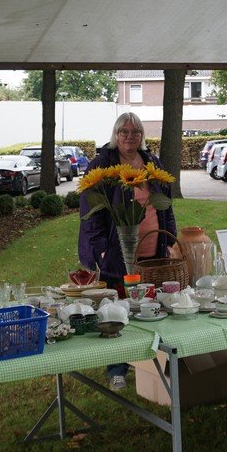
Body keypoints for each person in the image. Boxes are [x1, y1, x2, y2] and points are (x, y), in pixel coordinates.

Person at [78, 112, 177, 390]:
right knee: (117, 311)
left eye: (135, 132)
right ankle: (117, 369)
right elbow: (89, 212)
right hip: (117, 251)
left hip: (152, 248)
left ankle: (153, 362)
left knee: (151, 307)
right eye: (124, 132)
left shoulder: (152, 163)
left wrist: (170, 239)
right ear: (116, 134)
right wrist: (101, 249)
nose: (130, 137)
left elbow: (166, 204)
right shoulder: (103, 166)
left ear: (142, 135)